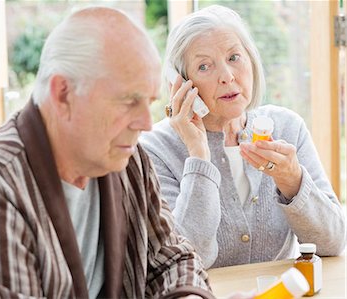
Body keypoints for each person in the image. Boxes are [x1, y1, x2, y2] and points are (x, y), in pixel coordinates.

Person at [0, 7, 223, 299]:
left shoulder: (126, 160)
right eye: (129, 101)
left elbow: (170, 257)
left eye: (148, 102)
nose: (145, 124)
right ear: (63, 93)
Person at [140, 5, 345, 270]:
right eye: (204, 66)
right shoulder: (154, 149)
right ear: (180, 83)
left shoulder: (287, 127)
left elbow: (332, 243)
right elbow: (183, 260)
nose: (227, 76)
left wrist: (292, 181)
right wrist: (199, 156)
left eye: (234, 57)